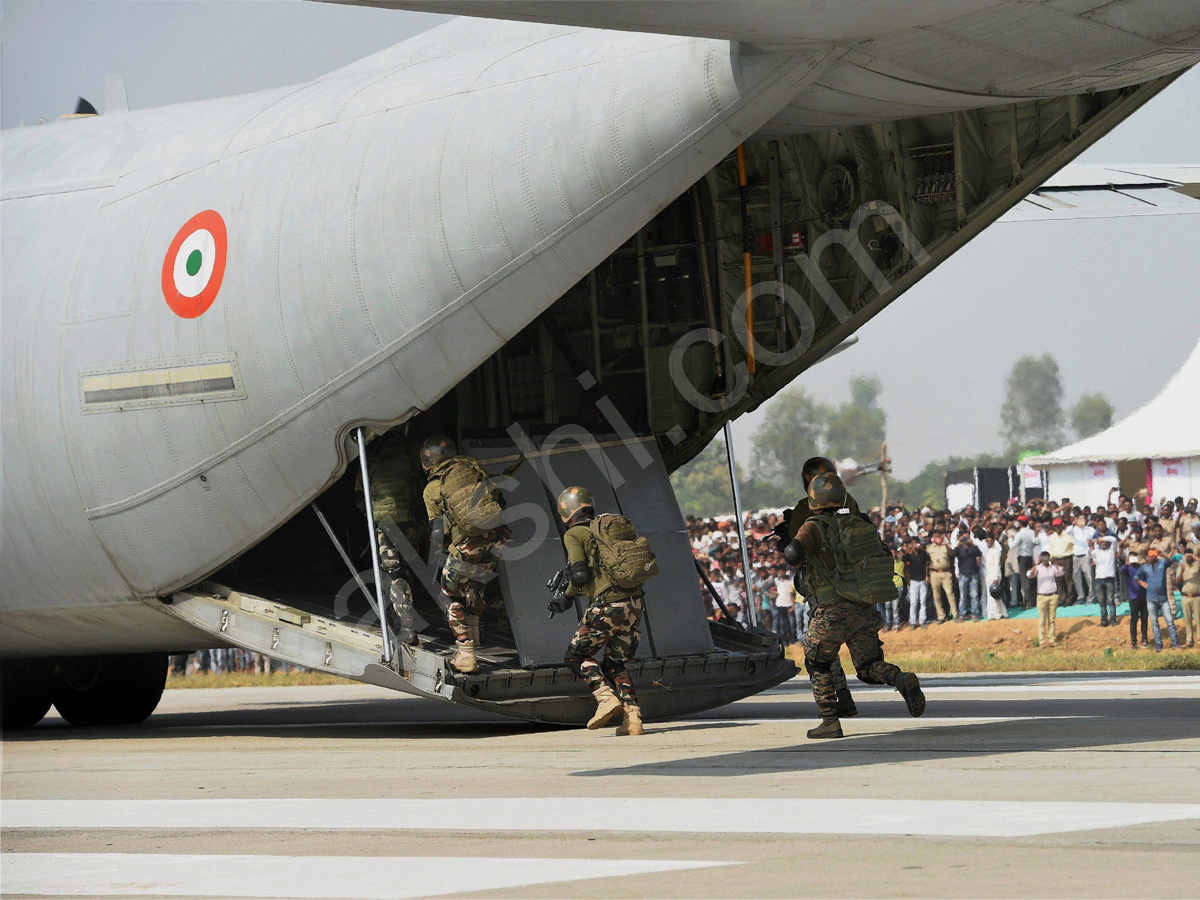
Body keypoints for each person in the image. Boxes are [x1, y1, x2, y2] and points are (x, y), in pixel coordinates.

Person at [790, 473, 925, 739]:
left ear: (815, 499)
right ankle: (900, 679)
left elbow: (793, 553)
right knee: (868, 666)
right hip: (863, 607)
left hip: (831, 610)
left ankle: (830, 720)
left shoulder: (813, 526)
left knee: (817, 661)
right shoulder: (859, 522)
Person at [552, 486, 654, 735]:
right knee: (614, 664)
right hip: (634, 603)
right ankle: (633, 718)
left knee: (575, 657)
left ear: (566, 510)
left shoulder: (574, 533)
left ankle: (605, 698)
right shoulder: (606, 529)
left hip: (607, 605)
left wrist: (565, 598)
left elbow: (580, 573)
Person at [421, 435, 510, 674]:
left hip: (467, 544)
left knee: (450, 595)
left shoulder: (432, 488)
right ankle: (475, 632)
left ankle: (465, 652)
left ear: (427, 461)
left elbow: (437, 529)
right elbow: (501, 502)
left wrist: (437, 557)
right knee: (475, 582)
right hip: (497, 540)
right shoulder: (473, 470)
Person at [359, 431, 426, 649]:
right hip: (410, 522)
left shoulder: (371, 460)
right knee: (405, 571)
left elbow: (361, 498)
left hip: (385, 523)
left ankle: (406, 626)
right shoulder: (411, 456)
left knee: (393, 573)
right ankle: (404, 612)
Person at [1137, 548, 1181, 652]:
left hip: (1163, 599)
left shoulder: (1162, 563)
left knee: (1169, 621)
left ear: (1156, 556)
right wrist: (1142, 583)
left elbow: (1170, 561)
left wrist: (1164, 554)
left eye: (1153, 555)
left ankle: (1175, 642)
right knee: (1154, 622)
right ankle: (1158, 643)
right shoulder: (1144, 567)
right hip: (1151, 599)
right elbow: (1135, 576)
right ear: (1147, 557)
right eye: (1149, 556)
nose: (1151, 557)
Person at [1027, 551, 1064, 647]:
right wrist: (1037, 563)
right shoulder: (1038, 568)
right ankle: (1042, 641)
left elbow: (1060, 572)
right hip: (1042, 596)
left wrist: (1054, 562)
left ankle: (1052, 639)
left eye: (1046, 557)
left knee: (1051, 619)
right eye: (1043, 557)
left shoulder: (1052, 567)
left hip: (1053, 595)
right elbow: (1030, 574)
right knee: (1042, 620)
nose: (1045, 559)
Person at [1090, 522, 1119, 628]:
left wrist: (1101, 538)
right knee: (1102, 602)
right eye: (1101, 543)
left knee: (1110, 601)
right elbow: (1091, 552)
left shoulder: (1111, 551)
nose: (1103, 543)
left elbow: (1114, 540)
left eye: (1105, 542)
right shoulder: (1096, 552)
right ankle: (1104, 621)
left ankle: (1113, 620)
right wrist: (1092, 544)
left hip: (1109, 578)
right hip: (1099, 579)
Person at [952, 532, 983, 621]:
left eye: (966, 538)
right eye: (964, 538)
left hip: (973, 573)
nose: (965, 540)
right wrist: (958, 545)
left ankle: (975, 613)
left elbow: (979, 553)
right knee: (963, 596)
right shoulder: (959, 548)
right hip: (963, 574)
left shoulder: (972, 547)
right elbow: (952, 555)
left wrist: (972, 544)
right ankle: (962, 614)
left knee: (974, 595)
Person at [926, 532, 957, 623]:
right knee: (936, 595)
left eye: (938, 536)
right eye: (935, 536)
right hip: (934, 573)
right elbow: (927, 562)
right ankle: (941, 616)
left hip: (946, 572)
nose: (937, 538)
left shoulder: (946, 546)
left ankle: (955, 614)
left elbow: (951, 554)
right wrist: (926, 575)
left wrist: (945, 544)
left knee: (949, 593)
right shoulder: (929, 548)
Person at [1121, 553, 1149, 649]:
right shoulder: (1128, 569)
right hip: (1134, 597)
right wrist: (1126, 564)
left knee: (1144, 618)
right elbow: (1121, 570)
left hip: (1143, 597)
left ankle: (1144, 639)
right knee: (1134, 619)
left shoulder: (1141, 568)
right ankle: (1133, 641)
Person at [902, 538, 930, 629]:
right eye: (913, 543)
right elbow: (903, 559)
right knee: (913, 602)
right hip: (913, 581)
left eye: (916, 543)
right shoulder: (909, 555)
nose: (915, 545)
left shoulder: (922, 554)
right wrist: (909, 550)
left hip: (922, 580)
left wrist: (926, 575)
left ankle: (922, 620)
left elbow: (927, 562)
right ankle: (913, 621)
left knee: (923, 601)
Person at [1175, 547, 1200, 648]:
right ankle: (1189, 641)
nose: (1188, 555)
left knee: (1198, 619)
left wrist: (1194, 556)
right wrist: (1182, 571)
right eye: (1186, 554)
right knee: (1187, 620)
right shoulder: (1181, 566)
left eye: (1190, 553)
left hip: (1197, 597)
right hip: (1185, 597)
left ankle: (1199, 640)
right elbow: (1177, 581)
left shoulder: (1197, 565)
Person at [1069, 513, 1095, 606]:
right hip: (1076, 555)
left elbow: (1094, 542)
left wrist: (1093, 557)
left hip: (1086, 555)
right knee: (1076, 577)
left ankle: (1091, 596)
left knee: (1089, 576)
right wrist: (1073, 523)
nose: (1081, 521)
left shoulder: (1091, 530)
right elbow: (1066, 532)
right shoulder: (1073, 529)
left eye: (1083, 519)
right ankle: (1081, 596)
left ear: (1086, 520)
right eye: (1079, 519)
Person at [1048, 519, 1075, 606]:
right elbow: (1051, 548)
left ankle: (1069, 599)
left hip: (1066, 559)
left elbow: (1075, 545)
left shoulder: (1068, 536)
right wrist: (1051, 558)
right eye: (1055, 526)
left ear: (1062, 526)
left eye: (1058, 526)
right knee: (1059, 580)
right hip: (1055, 560)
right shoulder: (1052, 537)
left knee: (1068, 579)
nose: (1057, 528)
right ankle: (1061, 599)